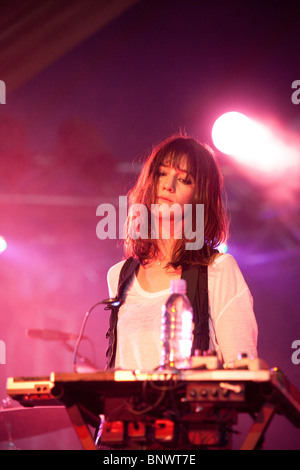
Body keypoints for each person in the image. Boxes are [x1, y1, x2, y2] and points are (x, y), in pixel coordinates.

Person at [105, 134, 258, 371]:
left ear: (201, 196)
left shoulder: (218, 269)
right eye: (162, 173)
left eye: (185, 179)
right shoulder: (119, 276)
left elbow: (243, 372)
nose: (168, 185)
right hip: (127, 408)